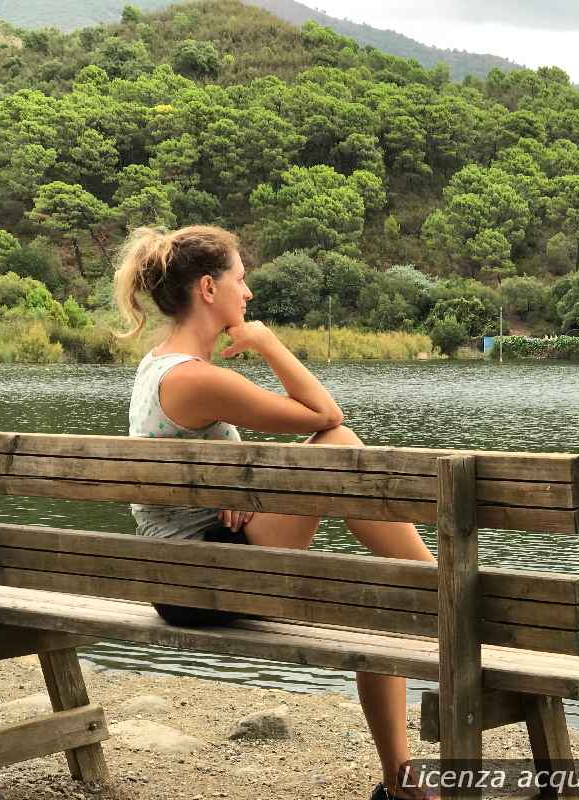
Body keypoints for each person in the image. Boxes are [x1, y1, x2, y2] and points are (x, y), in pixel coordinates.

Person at [113, 225, 436, 800]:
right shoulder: (198, 378)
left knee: (378, 612)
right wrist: (265, 342)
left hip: (180, 572)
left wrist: (239, 486)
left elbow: (194, 468)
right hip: (206, 577)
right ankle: (442, 590)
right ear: (209, 288)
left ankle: (400, 784)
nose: (249, 295)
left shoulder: (157, 367)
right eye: (242, 280)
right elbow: (324, 414)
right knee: (336, 447)